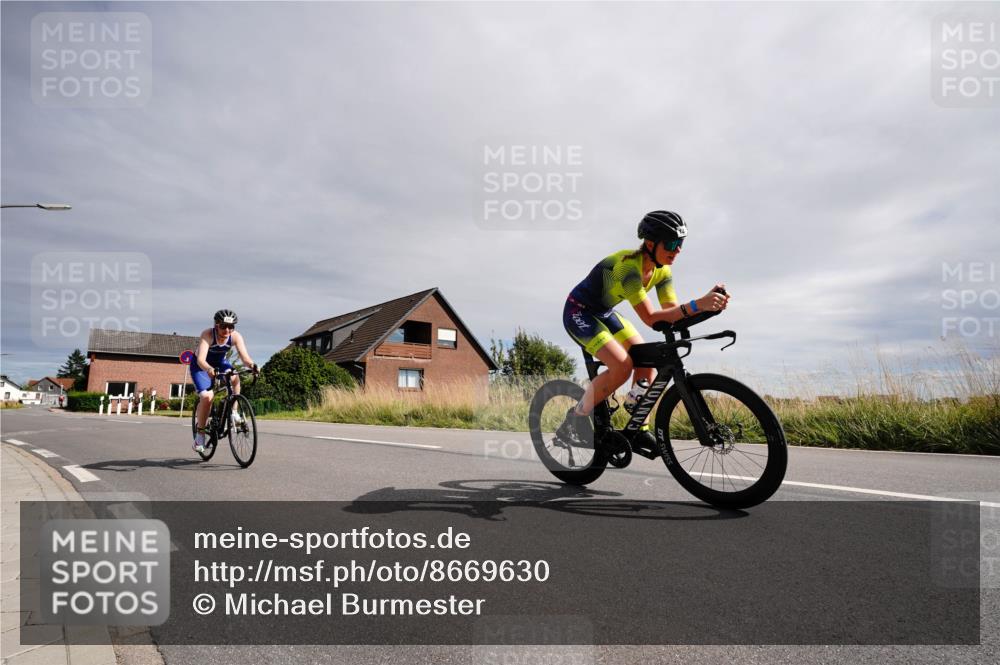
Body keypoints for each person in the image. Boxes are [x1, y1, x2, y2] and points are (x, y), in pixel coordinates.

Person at [561, 211, 730, 451]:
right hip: (579, 312)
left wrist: (708, 306)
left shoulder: (663, 271)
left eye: (680, 243)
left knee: (647, 361)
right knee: (621, 366)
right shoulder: (628, 269)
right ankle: (575, 419)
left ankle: (638, 427)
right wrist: (697, 304)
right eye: (671, 243)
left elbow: (671, 312)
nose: (678, 250)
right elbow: (651, 318)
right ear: (650, 244)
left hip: (604, 312)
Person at [191, 309, 258, 452]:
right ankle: (200, 435)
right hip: (201, 366)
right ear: (216, 325)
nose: (227, 330)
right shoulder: (208, 334)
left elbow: (244, 358)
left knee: (235, 376)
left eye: (231, 327)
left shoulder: (235, 336)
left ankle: (234, 411)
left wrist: (252, 366)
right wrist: (209, 370)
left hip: (220, 362)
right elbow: (201, 359)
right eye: (223, 326)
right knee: (207, 397)